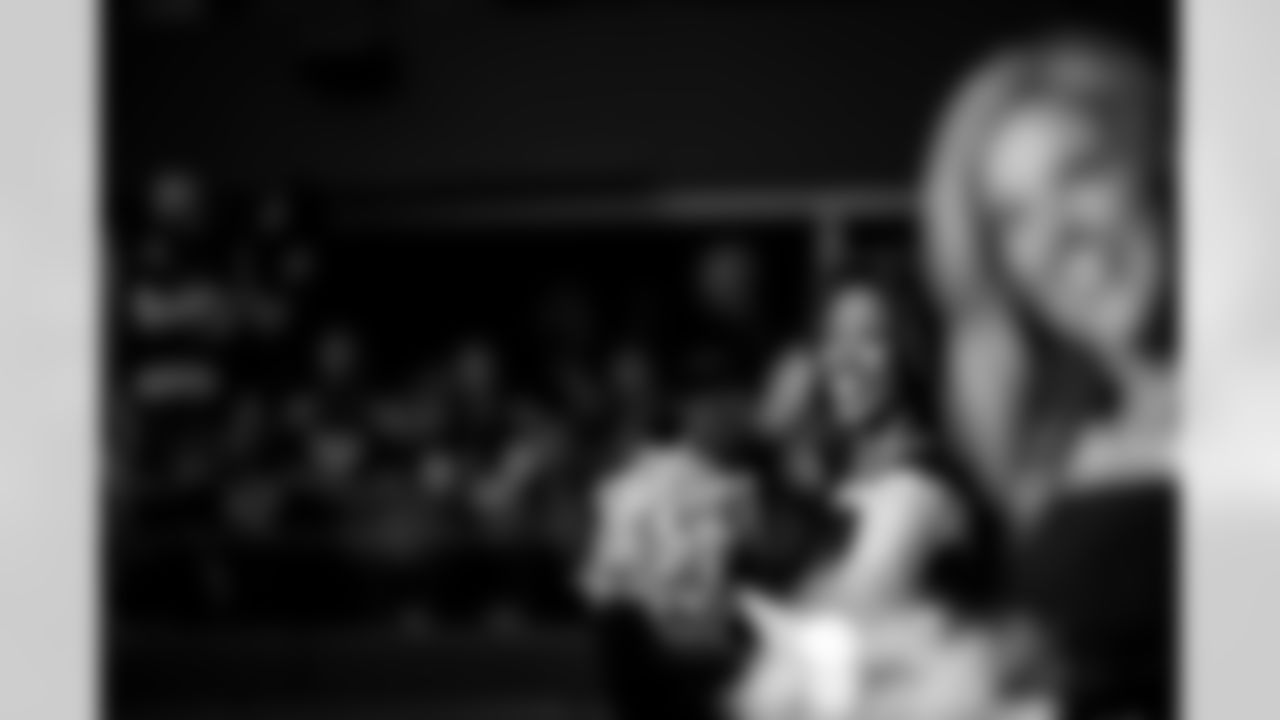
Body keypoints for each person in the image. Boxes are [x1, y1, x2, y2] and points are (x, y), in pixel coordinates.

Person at [923, 30, 1177, 720]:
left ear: (1161, 171)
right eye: (1011, 218)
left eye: (1082, 173)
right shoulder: (1055, 449)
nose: (1055, 235)